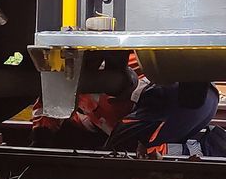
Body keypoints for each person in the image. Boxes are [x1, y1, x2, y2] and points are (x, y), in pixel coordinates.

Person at [31, 53, 224, 157]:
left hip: (175, 93)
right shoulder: (83, 118)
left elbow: (48, 101)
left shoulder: (92, 70)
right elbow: (47, 107)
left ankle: (212, 148)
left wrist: (42, 134)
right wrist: (41, 137)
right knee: (134, 151)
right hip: (183, 103)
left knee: (123, 153)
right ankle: (204, 146)